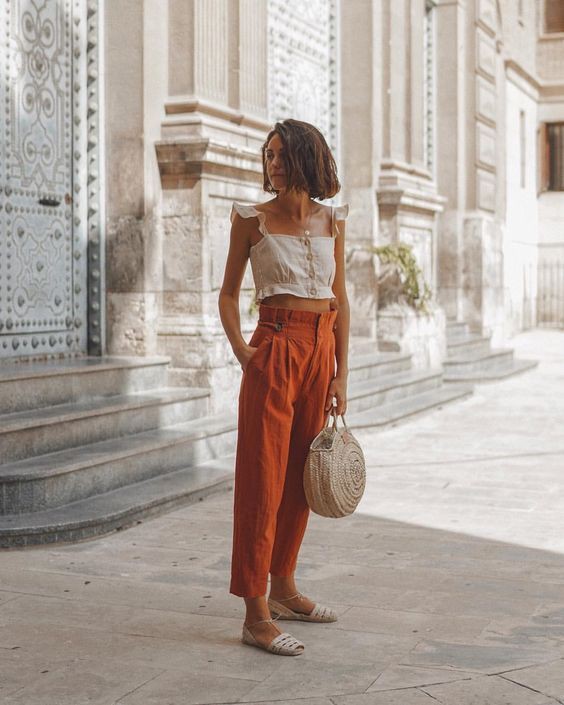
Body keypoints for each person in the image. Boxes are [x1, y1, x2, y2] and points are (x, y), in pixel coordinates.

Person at [218, 118, 350, 656]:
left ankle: (285, 588)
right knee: (262, 479)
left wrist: (343, 371)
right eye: (267, 155)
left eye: (279, 154)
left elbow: (341, 300)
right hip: (274, 347)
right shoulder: (251, 220)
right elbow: (228, 295)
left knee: (301, 477)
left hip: (320, 349)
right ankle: (254, 611)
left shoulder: (333, 221)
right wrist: (244, 353)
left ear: (305, 158)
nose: (271, 163)